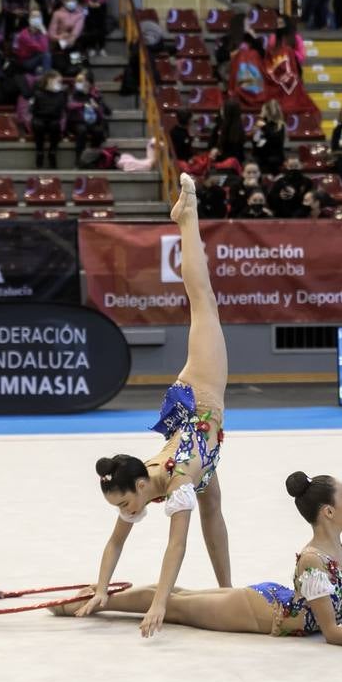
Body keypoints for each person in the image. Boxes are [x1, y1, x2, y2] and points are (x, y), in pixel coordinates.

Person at [76, 174, 234, 638]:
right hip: (194, 433)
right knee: (214, 504)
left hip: (202, 397)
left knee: (202, 301)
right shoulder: (140, 486)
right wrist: (101, 589)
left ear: (143, 485)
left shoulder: (176, 480)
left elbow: (175, 545)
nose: (127, 510)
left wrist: (159, 605)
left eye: (127, 500)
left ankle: (188, 217)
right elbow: (114, 543)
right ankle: (227, 587)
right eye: (122, 504)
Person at [59, 471, 342, 652]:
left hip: (281, 605)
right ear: (328, 512)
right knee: (178, 605)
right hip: (263, 610)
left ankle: (102, 596)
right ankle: (94, 602)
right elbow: (335, 633)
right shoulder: (312, 562)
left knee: (185, 596)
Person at [67, 69, 110, 165]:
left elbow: (102, 113)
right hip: (76, 121)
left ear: (90, 83)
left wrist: (97, 107)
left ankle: (92, 158)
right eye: (80, 81)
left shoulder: (94, 94)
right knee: (82, 130)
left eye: (85, 81)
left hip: (91, 121)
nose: (82, 83)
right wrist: (82, 104)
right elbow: (69, 106)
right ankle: (79, 159)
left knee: (98, 131)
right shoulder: (72, 92)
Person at [30, 69, 68, 169]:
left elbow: (64, 110)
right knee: (38, 125)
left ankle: (52, 152)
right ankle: (40, 152)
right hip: (40, 118)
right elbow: (33, 110)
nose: (60, 84)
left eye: (60, 82)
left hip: (54, 119)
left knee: (55, 125)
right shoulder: (38, 93)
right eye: (58, 81)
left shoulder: (62, 94)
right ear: (49, 80)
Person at [48, 0, 86, 70]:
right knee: (61, 66)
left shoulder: (80, 14)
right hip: (59, 46)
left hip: (74, 45)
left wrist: (71, 38)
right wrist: (60, 37)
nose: (71, 2)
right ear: (64, 1)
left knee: (80, 64)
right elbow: (51, 34)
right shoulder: (57, 14)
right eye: (68, 0)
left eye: (73, 0)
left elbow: (77, 30)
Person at [252, 99, 287, 176]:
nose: (261, 112)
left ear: (268, 111)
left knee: (273, 161)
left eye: (263, 110)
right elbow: (256, 142)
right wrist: (258, 133)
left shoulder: (279, 125)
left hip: (275, 156)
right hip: (261, 155)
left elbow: (276, 141)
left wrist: (264, 128)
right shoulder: (261, 123)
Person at [208, 97, 246, 166]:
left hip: (231, 164)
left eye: (223, 109)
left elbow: (235, 155)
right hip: (219, 161)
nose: (220, 110)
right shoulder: (219, 125)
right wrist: (214, 149)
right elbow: (211, 143)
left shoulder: (237, 130)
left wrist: (218, 153)